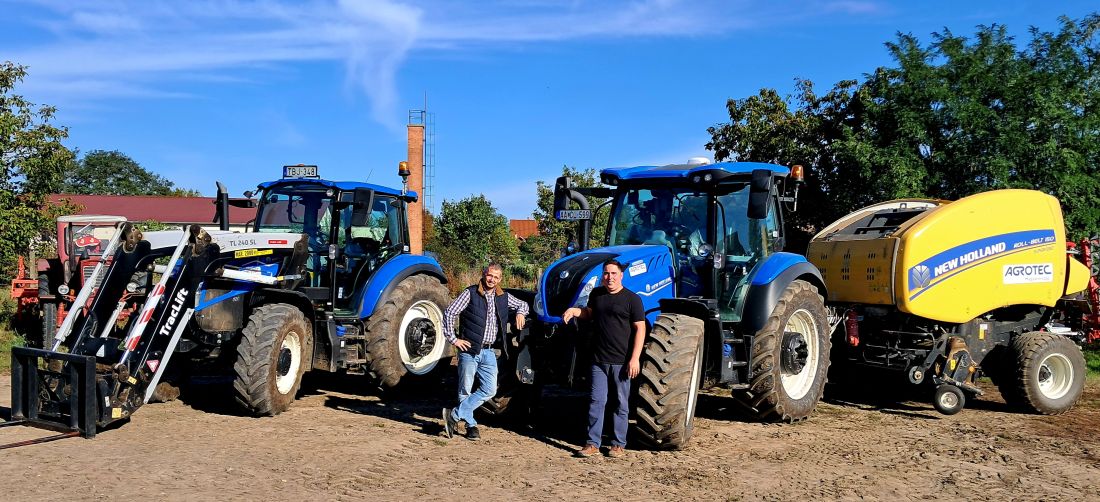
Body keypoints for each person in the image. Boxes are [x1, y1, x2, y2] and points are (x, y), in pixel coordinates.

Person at [561, 259, 646, 458]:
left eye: (613, 273)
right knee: (596, 401)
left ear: (621, 275)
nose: (609, 277)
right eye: (606, 274)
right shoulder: (597, 295)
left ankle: (618, 444)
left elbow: (640, 329)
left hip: (622, 362)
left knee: (620, 403)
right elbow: (589, 314)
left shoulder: (632, 299)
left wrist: (635, 359)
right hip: (598, 360)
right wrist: (574, 310)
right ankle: (592, 443)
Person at [442, 263, 529, 440]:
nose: (492, 280)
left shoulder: (503, 297)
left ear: (500, 279)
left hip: (489, 351)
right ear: (484, 274)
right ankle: (471, 426)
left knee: (489, 390)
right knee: (465, 390)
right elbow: (449, 313)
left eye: (496, 277)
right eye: (490, 276)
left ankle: (453, 415)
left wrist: (521, 313)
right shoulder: (470, 293)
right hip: (470, 349)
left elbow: (524, 304)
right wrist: (454, 339)